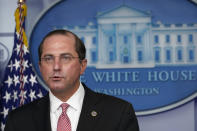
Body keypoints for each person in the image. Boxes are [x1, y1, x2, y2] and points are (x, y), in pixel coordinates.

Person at [5, 29, 139, 131]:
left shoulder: (118, 113)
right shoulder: (18, 120)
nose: (56, 67)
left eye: (65, 58)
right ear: (40, 67)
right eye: (48, 59)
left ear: (82, 66)